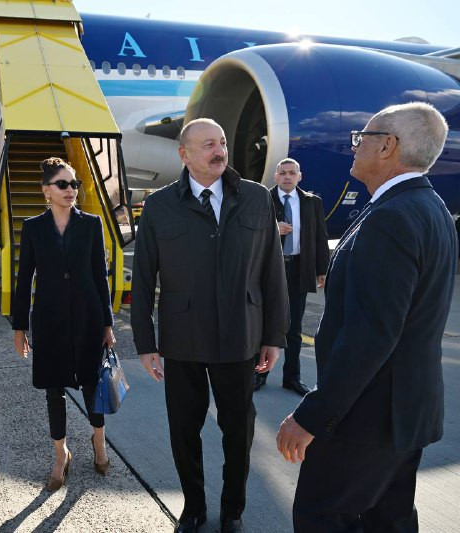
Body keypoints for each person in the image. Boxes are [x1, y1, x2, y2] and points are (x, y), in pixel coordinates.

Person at [277, 102, 457, 532]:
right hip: (405, 414)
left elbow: (370, 336)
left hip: (367, 418)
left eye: (362, 137)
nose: (353, 146)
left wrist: (313, 415)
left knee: (322, 517)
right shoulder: (431, 207)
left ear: (388, 146)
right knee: (389, 521)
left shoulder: (390, 218)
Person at [131, 118, 289, 533]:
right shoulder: (160, 205)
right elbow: (143, 277)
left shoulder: (255, 197)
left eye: (221, 142)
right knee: (184, 430)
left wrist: (274, 335)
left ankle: (232, 510)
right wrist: (145, 342)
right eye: (208, 145)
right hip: (182, 338)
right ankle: (194, 507)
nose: (219, 151)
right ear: (184, 154)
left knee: (239, 431)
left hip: (241, 335)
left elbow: (272, 271)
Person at [12, 157, 116, 492]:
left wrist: (107, 323)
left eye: (74, 184)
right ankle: (61, 454)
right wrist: (19, 327)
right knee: (53, 388)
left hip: (88, 316)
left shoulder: (92, 224)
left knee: (92, 384)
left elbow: (100, 276)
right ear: (46, 190)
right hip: (49, 319)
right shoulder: (33, 227)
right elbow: (24, 278)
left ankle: (99, 441)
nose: (71, 190)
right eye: (62, 184)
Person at [254, 158, 329, 395]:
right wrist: (273, 229)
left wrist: (322, 269)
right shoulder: (263, 199)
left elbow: (320, 236)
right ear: (275, 176)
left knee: (294, 328)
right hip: (270, 269)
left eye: (292, 173)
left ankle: (292, 377)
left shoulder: (311, 202)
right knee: (264, 324)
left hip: (298, 269)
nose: (287, 177)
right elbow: (249, 234)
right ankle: (259, 373)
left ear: (299, 176)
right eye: (283, 173)